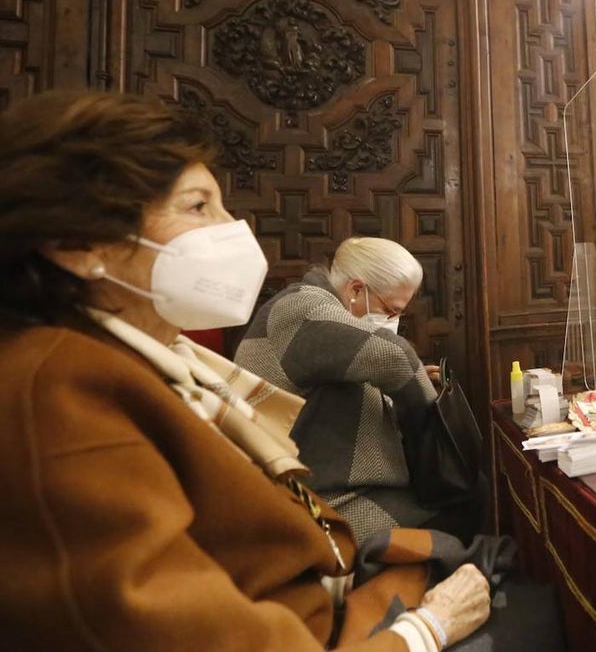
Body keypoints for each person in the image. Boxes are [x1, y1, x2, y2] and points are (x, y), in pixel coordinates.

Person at [0, 92, 491, 650]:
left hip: (315, 588)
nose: (233, 228)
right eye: (197, 207)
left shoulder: (142, 358)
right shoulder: (58, 399)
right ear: (77, 243)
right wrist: (427, 628)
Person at [235, 237, 482, 546]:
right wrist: (436, 418)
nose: (392, 322)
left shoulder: (317, 308)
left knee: (465, 498)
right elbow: (395, 358)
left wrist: (415, 374)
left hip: (324, 479)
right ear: (355, 289)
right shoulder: (302, 307)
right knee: (464, 506)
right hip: (317, 500)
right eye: (390, 310)